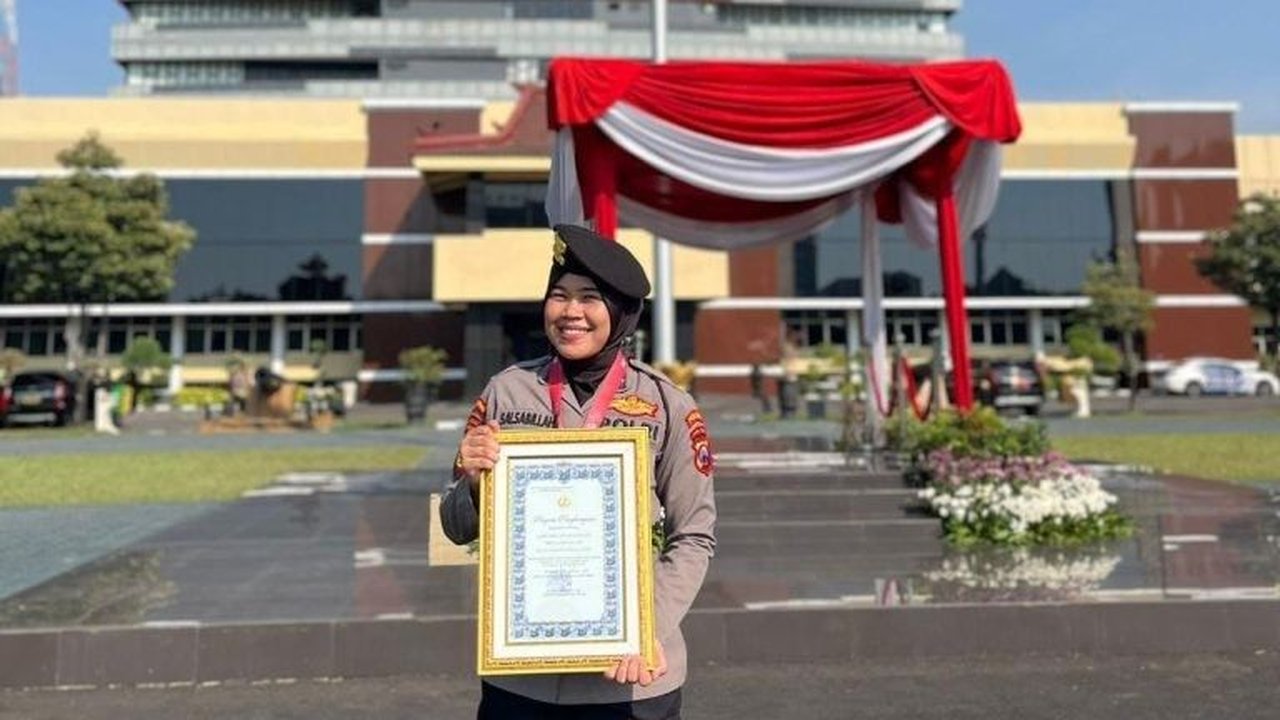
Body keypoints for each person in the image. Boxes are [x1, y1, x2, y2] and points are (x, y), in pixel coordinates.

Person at [440, 223, 717, 720]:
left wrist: (645, 629)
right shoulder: (505, 391)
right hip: (522, 679)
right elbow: (454, 527)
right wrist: (475, 486)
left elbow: (694, 536)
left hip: (629, 682)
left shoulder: (666, 405)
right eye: (559, 296)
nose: (570, 312)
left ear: (621, 312)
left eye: (589, 298)